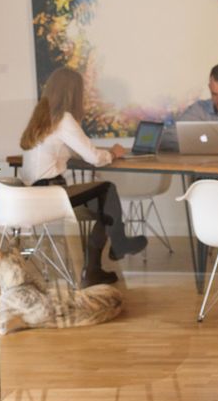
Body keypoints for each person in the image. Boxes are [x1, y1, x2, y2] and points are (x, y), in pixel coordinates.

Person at [19, 68, 147, 286]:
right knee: (107, 190)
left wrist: (92, 151)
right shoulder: (64, 119)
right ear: (73, 93)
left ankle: (109, 254)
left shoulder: (42, 118)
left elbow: (67, 150)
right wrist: (114, 153)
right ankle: (112, 250)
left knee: (104, 203)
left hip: (35, 194)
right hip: (51, 194)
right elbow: (95, 158)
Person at [169, 64, 218, 153]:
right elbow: (169, 138)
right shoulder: (199, 109)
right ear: (209, 88)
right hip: (204, 165)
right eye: (214, 94)